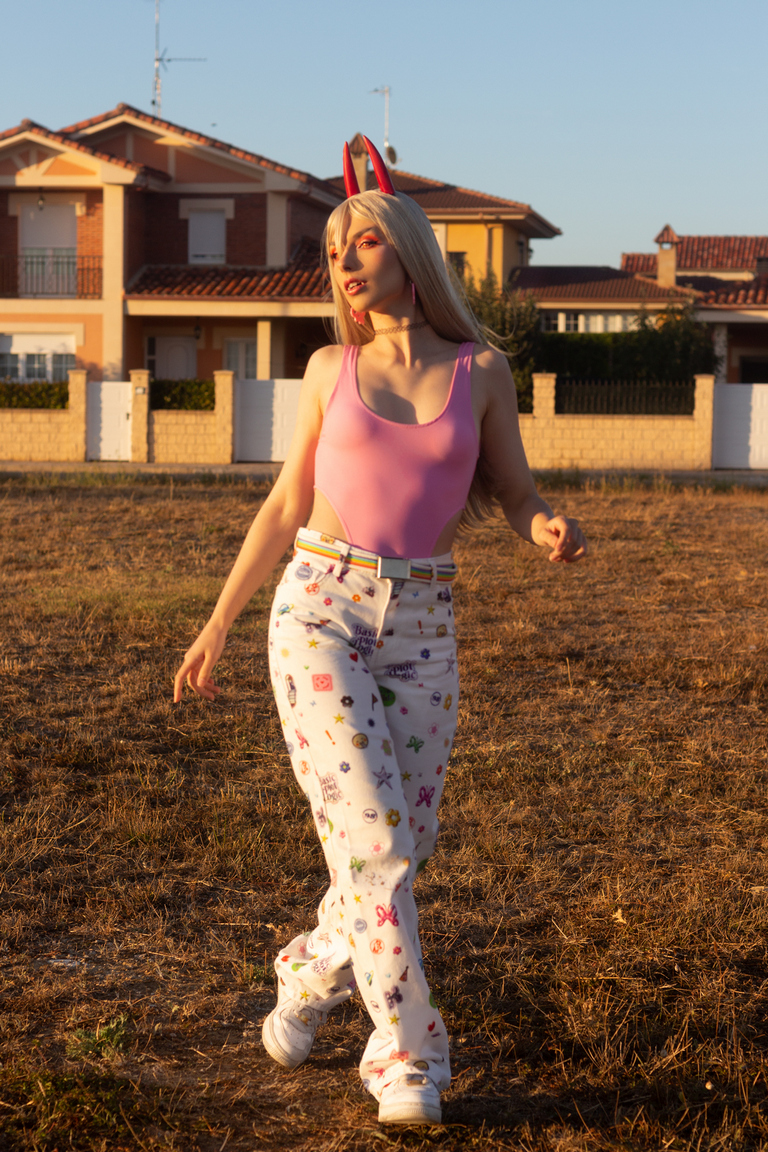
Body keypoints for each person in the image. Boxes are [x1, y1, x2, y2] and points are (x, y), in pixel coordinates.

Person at [173, 136, 586, 1127]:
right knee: (379, 842)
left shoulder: (483, 370)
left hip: (425, 622)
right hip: (319, 612)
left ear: (409, 253)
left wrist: (548, 531)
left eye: (362, 245)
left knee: (404, 841)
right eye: (335, 253)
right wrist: (219, 622)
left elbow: (514, 491)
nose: (346, 268)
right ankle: (408, 1056)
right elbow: (283, 506)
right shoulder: (328, 370)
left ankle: (309, 970)